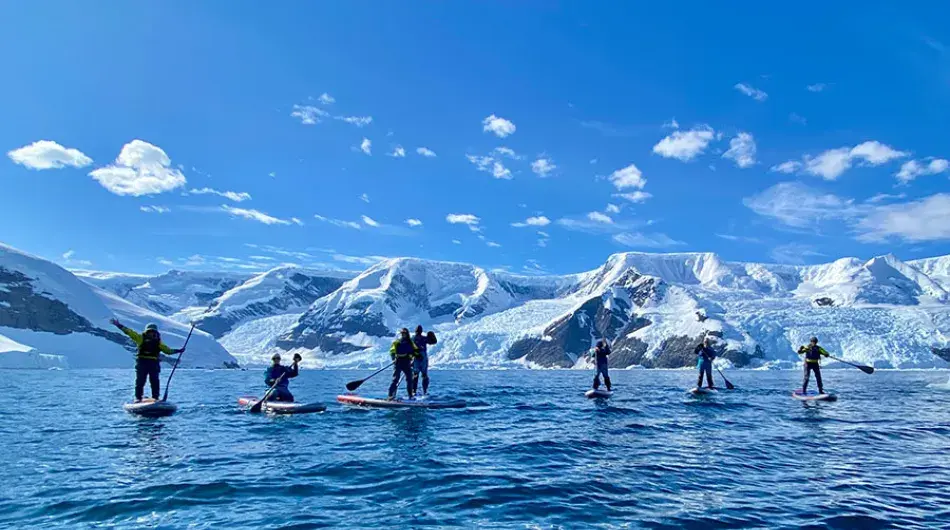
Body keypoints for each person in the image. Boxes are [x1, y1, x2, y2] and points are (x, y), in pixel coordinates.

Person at [111, 319, 184, 402]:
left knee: (142, 381)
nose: (151, 333)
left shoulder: (142, 339)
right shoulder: (157, 342)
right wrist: (178, 351)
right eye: (151, 332)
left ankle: (139, 398)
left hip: (143, 363)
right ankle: (153, 398)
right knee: (152, 381)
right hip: (152, 364)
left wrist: (118, 325)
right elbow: (168, 351)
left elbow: (129, 332)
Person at [389, 328, 419, 400]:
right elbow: (392, 351)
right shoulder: (397, 342)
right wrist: (393, 358)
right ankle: (390, 395)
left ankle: (410, 395)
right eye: (402, 333)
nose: (403, 334)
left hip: (407, 363)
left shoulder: (411, 343)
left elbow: (416, 351)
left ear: (407, 334)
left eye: (404, 333)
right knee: (395, 379)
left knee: (409, 379)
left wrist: (415, 358)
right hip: (398, 362)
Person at [411, 325, 434, 396]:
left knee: (416, 375)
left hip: (417, 357)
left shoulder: (413, 338)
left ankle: (414, 391)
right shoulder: (423, 338)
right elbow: (433, 341)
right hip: (421, 357)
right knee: (423, 375)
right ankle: (424, 391)